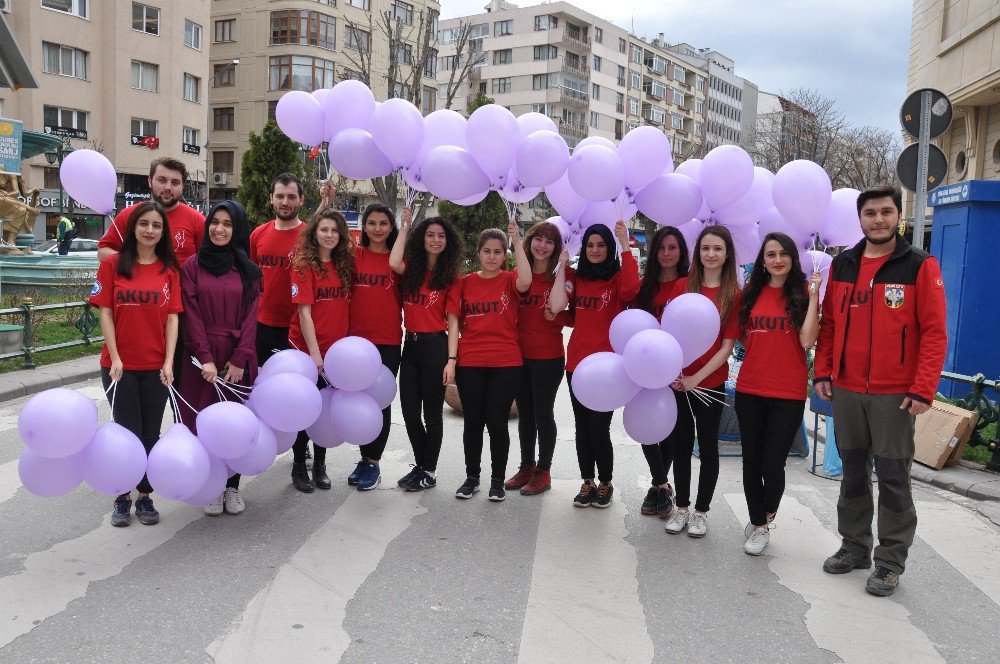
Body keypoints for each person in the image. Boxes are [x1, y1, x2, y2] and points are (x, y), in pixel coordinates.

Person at [815, 184, 947, 596]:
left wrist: (923, 389)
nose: (878, 219)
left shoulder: (919, 265)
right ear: (860, 219)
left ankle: (889, 562)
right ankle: (855, 546)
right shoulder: (843, 265)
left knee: (892, 478)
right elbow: (829, 324)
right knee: (853, 473)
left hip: (895, 396)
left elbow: (934, 333)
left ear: (898, 216)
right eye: (870, 213)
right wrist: (823, 371)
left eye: (885, 212)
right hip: (848, 390)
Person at [88, 200, 182, 527]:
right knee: (126, 431)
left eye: (156, 226)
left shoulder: (169, 270)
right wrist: (115, 357)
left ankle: (144, 495)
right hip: (119, 366)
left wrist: (169, 361)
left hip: (156, 367)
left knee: (150, 432)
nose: (150, 230)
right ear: (133, 228)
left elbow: (172, 319)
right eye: (144, 224)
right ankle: (121, 494)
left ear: (162, 232)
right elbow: (106, 312)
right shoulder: (113, 264)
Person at [735, 232, 821, 555]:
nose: (777, 260)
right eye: (771, 254)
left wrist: (814, 298)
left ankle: (766, 512)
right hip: (750, 389)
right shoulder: (751, 293)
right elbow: (743, 337)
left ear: (792, 258)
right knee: (751, 462)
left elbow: (807, 340)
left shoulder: (801, 292)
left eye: (783, 253)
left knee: (773, 464)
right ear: (763, 260)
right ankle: (759, 525)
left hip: (788, 393)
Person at [177, 200, 261, 516]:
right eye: (215, 221)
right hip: (201, 359)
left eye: (227, 223)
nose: (219, 229)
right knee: (202, 420)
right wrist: (204, 357)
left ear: (237, 229)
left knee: (234, 424)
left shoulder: (249, 270)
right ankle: (210, 486)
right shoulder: (192, 266)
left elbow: (252, 317)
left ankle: (232, 487)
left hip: (236, 358)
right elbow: (191, 314)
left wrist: (240, 359)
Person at [664, 225, 741, 538]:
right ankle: (681, 508)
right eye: (706, 248)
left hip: (709, 384)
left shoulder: (734, 294)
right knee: (680, 446)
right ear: (698, 253)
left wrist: (698, 377)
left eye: (718, 249)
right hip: (678, 382)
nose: (711, 254)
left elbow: (727, 347)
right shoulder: (682, 286)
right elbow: (667, 333)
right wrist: (673, 373)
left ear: (726, 255)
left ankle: (700, 512)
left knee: (708, 447)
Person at [450, 223, 532, 501]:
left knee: (497, 423)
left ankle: (497, 481)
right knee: (472, 422)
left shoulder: (511, 280)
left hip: (506, 363)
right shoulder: (465, 283)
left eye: (498, 252)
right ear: (479, 253)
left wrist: (516, 239)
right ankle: (472, 478)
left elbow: (527, 281)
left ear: (504, 255)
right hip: (470, 362)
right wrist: (453, 359)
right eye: (487, 251)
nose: (492, 256)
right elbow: (455, 323)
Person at [561, 221, 639, 509]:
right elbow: (569, 313)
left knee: (599, 428)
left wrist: (625, 246)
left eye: (601, 245)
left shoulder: (617, 279)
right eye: (590, 245)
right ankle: (587, 481)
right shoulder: (576, 277)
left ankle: (605, 483)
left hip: (608, 368)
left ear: (609, 248)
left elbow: (631, 291)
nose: (595, 250)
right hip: (577, 364)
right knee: (582, 427)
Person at [389, 214, 462, 492]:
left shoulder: (450, 278)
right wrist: (406, 226)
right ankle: (422, 465)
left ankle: (428, 471)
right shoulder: (411, 270)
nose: (435, 240)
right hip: (411, 346)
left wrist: (452, 360)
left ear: (448, 242)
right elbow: (393, 262)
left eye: (441, 236)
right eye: (430, 235)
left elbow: (453, 322)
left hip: (435, 347)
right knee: (409, 411)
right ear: (422, 238)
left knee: (432, 414)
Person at [288, 209, 354, 493]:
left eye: (334, 231)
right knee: (305, 410)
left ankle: (321, 466)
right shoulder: (304, 266)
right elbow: (305, 315)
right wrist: (315, 355)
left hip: (336, 352)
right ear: (314, 233)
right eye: (323, 229)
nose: (329, 235)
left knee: (326, 410)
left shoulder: (344, 265)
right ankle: (299, 466)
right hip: (307, 351)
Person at [249, 174, 312, 469]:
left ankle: (301, 461)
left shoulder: (309, 236)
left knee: (296, 396)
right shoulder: (258, 234)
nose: (285, 202)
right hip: (261, 327)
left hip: (297, 329)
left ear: (301, 200)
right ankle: (259, 447)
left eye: (291, 197)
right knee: (260, 390)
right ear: (271, 199)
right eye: (280, 196)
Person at [504, 221, 570, 496]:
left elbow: (558, 307)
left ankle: (544, 471)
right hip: (520, 357)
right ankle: (527, 466)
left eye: (550, 242)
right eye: (538, 239)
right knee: (525, 416)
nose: (542, 246)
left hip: (548, 357)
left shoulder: (562, 277)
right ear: (530, 242)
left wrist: (563, 267)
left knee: (543, 414)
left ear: (556, 248)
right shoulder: (519, 275)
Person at [346, 203, 403, 491]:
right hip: (355, 343)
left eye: (383, 223)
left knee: (380, 402)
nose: (378, 228)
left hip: (387, 341)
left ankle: (374, 463)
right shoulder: (353, 255)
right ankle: (364, 458)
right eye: (372, 223)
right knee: (359, 403)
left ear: (391, 228)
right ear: (364, 226)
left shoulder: (397, 261)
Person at [632, 226, 689, 519]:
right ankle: (662, 484)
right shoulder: (646, 287)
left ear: (681, 252)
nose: (666, 254)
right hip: (646, 367)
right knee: (646, 425)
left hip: (678, 368)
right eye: (661, 248)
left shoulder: (689, 285)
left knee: (669, 429)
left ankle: (659, 486)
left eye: (672, 248)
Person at [97, 157, 204, 264]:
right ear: (150, 181)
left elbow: (208, 259)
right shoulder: (129, 215)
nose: (168, 187)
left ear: (183, 186)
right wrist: (135, 262)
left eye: (175, 183)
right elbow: (102, 252)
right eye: (162, 180)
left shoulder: (197, 220)